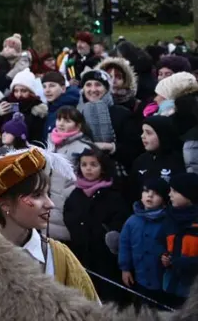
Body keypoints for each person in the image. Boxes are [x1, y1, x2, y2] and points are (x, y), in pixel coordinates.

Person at [0, 147, 98, 301]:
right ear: (5, 203)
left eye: (47, 194)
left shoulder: (59, 257)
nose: (50, 204)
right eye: (37, 195)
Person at [63, 148, 130, 304]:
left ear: (103, 168)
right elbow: (68, 215)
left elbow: (120, 220)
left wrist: (104, 233)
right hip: (81, 253)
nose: (88, 169)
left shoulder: (112, 194)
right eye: (84, 164)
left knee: (108, 296)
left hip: (105, 257)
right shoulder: (76, 193)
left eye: (93, 165)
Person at [119, 177, 171, 307]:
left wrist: (169, 258)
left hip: (163, 279)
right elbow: (125, 246)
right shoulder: (132, 221)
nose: (150, 195)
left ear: (164, 199)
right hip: (140, 278)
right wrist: (125, 268)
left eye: (156, 193)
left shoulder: (168, 222)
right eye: (146, 191)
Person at [46, 107, 94, 242]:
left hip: (67, 206)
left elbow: (86, 179)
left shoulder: (84, 147)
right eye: (59, 119)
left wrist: (68, 193)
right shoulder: (50, 143)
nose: (61, 124)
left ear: (78, 125)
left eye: (67, 121)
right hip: (47, 204)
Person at [161, 172, 198, 307]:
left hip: (194, 288)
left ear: (190, 196)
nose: (169, 194)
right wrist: (164, 256)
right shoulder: (170, 217)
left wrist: (185, 263)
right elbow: (162, 241)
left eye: (175, 191)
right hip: (171, 284)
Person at [0, 70, 47, 145]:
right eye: (16, 91)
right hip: (2, 148)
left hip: (26, 148)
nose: (19, 95)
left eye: (23, 91)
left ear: (31, 92)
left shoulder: (37, 109)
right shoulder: (5, 104)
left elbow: (37, 137)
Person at [133, 116, 187, 189]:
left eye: (148, 133)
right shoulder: (140, 161)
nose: (142, 136)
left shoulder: (179, 161)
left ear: (162, 135)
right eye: (142, 132)